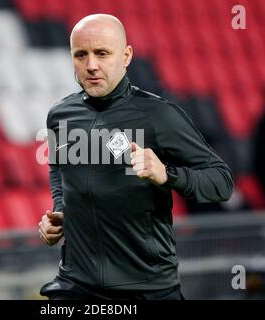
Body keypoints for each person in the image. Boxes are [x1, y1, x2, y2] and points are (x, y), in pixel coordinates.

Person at [38, 14, 233, 300]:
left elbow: (222, 181)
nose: (91, 65)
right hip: (75, 285)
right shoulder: (60, 116)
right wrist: (61, 210)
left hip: (147, 289)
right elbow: (58, 168)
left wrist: (167, 174)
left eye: (102, 53)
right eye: (81, 55)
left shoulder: (158, 115)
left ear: (126, 56)